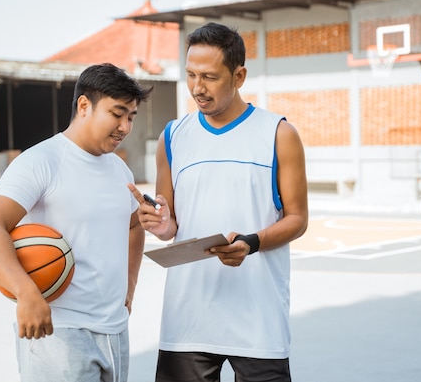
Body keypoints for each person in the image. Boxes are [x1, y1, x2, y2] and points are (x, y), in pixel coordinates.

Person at [129, 22, 309, 382]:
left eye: (210, 77)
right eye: (191, 75)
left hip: (258, 321)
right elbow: (172, 223)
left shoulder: (278, 134)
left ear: (239, 75)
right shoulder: (173, 136)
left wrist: (251, 242)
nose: (198, 88)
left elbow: (297, 219)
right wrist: (161, 225)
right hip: (188, 321)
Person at [0, 63, 152, 382]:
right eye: (117, 113)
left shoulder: (121, 171)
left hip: (115, 329)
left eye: (131, 117)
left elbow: (133, 226)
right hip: (59, 332)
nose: (125, 126)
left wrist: (130, 285)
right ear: (84, 106)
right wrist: (27, 293)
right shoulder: (41, 161)